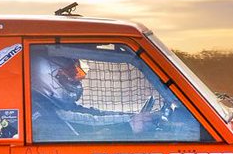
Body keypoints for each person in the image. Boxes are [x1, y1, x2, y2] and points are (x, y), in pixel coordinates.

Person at [30, 53, 162, 142]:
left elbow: (91, 114)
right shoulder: (38, 110)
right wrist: (128, 126)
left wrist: (131, 116)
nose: (77, 79)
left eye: (78, 73)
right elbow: (81, 132)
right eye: (71, 73)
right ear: (46, 75)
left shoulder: (51, 104)